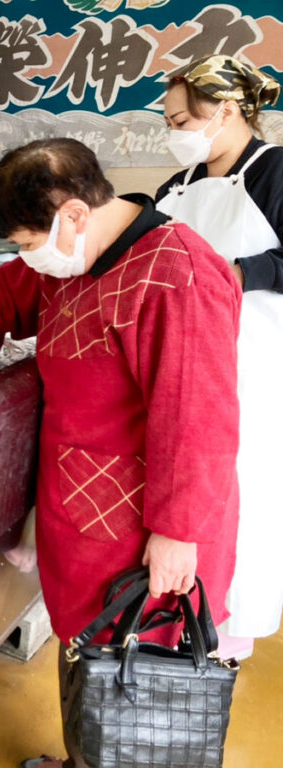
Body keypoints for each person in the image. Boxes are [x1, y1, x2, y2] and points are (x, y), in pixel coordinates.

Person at [0, 138, 242, 768]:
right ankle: (84, 758)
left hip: (144, 528)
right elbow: (12, 289)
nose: (28, 256)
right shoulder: (76, 256)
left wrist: (177, 533)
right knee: (89, 653)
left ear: (74, 214)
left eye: (29, 240)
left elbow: (200, 421)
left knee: (139, 674)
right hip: (82, 517)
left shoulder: (177, 275)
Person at [155, 54, 283, 661]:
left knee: (242, 500)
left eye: (181, 118)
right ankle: (160, 628)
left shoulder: (276, 173)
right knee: (175, 501)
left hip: (251, 373)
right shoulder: (174, 188)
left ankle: (222, 647)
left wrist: (238, 271)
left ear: (227, 110)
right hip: (177, 373)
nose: (173, 131)